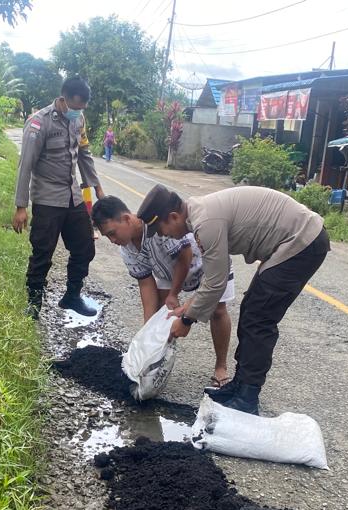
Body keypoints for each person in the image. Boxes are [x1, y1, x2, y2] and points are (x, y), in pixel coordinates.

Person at [136, 183, 329, 415]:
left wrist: (186, 320)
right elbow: (212, 280)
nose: (164, 235)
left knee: (259, 318)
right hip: (291, 243)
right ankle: (240, 385)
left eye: (161, 229)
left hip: (301, 242)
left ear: (174, 216)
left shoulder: (205, 223)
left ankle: (247, 397)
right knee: (250, 310)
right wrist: (188, 307)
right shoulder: (199, 214)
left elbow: (216, 283)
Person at [91, 195, 233, 387]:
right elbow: (145, 283)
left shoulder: (156, 225)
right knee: (164, 315)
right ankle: (154, 364)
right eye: (108, 236)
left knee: (217, 310)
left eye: (112, 233)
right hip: (169, 272)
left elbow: (185, 256)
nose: (112, 240)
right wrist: (147, 332)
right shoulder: (127, 249)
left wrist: (174, 294)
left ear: (126, 219)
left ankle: (221, 366)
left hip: (207, 266)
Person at [13, 75, 104, 319]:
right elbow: (25, 166)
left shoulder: (79, 120)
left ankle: (72, 296)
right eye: (75, 107)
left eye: (82, 108)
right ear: (63, 100)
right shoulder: (38, 123)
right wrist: (21, 206)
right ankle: (34, 303)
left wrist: (96, 187)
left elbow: (84, 154)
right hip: (47, 199)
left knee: (85, 247)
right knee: (42, 252)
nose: (78, 112)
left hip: (72, 196)